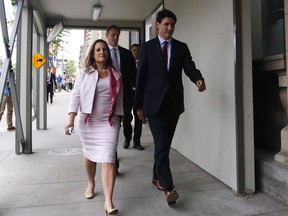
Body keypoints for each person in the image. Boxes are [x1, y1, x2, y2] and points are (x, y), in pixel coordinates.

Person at [134, 9, 206, 206]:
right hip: (153, 105)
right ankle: (168, 187)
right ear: (157, 25)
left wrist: (198, 78)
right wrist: (137, 106)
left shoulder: (181, 48)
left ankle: (156, 176)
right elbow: (140, 78)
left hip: (173, 104)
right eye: (166, 24)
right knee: (162, 144)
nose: (170, 28)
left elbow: (189, 67)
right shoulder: (147, 48)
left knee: (163, 145)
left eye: (172, 24)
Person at [64, 39, 123, 215]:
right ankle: (91, 182)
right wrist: (71, 119)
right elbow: (75, 95)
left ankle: (108, 202)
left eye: (104, 49)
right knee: (89, 156)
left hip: (109, 122)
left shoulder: (116, 74)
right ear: (93, 53)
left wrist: (121, 118)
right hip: (88, 122)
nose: (102, 52)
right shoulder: (85, 73)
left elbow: (120, 99)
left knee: (108, 159)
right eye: (98, 49)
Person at [106, 25, 144, 151]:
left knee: (128, 116)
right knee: (118, 120)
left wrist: (135, 87)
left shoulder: (127, 54)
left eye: (117, 35)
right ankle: (119, 145)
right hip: (109, 94)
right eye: (113, 35)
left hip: (126, 92)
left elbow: (134, 74)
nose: (115, 37)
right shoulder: (102, 53)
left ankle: (132, 140)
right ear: (107, 36)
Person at [129, 43, 144, 150]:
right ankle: (127, 137)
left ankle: (137, 142)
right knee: (126, 118)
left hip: (139, 94)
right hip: (129, 94)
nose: (136, 52)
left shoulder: (143, 63)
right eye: (134, 50)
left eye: (138, 50)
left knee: (139, 118)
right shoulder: (127, 64)